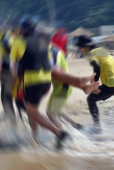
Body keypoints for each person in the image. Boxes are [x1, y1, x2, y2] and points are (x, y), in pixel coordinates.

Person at [9, 19, 69, 149]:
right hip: (46, 82)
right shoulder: (43, 42)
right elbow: (51, 64)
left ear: (23, 30)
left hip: (31, 80)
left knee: (33, 113)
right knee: (32, 111)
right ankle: (35, 138)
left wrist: (16, 83)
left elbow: (13, 68)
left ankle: (59, 133)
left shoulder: (18, 41)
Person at [47, 43, 98, 131]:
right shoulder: (54, 50)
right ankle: (76, 126)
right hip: (61, 86)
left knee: (51, 113)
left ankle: (62, 134)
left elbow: (56, 70)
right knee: (57, 111)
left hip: (63, 86)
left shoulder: (51, 51)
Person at [0, 24, 26, 125]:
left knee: (6, 97)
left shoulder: (5, 37)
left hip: (10, 72)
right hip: (22, 72)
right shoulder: (14, 36)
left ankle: (14, 126)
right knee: (18, 99)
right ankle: (33, 121)